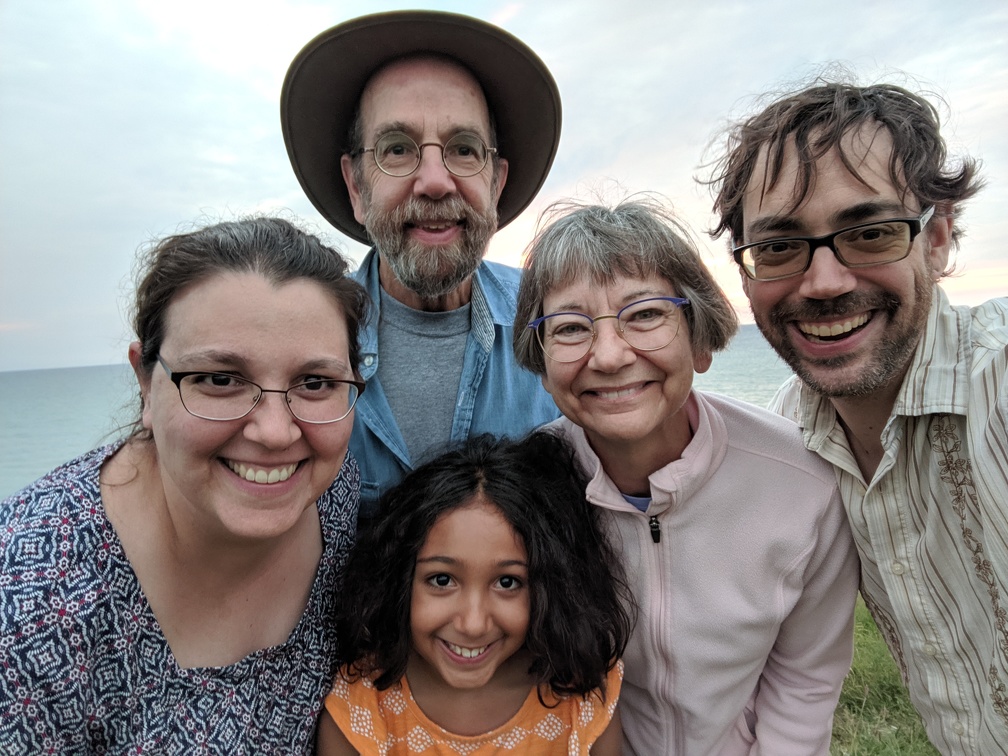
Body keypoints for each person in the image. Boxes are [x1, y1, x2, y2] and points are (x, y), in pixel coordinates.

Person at [705, 77, 1008, 753]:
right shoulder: (789, 444)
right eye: (780, 246)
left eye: (870, 233)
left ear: (938, 239)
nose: (824, 283)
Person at [0, 217, 367, 752]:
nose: (275, 432)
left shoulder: (334, 495)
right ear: (146, 384)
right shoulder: (31, 607)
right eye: (220, 379)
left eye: (315, 383)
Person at [513, 197, 860, 754]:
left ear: (700, 341)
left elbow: (805, 679)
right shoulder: (522, 492)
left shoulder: (804, 485)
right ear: (542, 362)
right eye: (571, 327)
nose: (608, 355)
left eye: (646, 314)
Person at [280, 11, 562, 517]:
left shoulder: (557, 323)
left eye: (463, 149)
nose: (435, 180)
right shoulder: (296, 346)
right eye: (396, 149)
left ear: (495, 185)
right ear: (355, 186)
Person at [315, 432, 632, 755]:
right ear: (398, 580)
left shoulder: (581, 696)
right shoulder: (362, 707)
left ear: (552, 586)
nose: (473, 624)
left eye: (507, 583)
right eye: (442, 580)